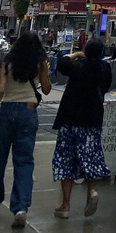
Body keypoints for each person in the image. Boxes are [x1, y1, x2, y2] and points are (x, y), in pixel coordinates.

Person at [52, 39, 112, 219]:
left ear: (86, 51)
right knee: (90, 156)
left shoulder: (77, 67)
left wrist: (75, 54)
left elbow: (62, 63)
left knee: (65, 160)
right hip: (92, 121)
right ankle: (92, 190)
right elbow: (106, 87)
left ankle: (65, 205)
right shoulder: (105, 68)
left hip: (70, 119)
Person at [0, 31, 52, 229]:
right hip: (28, 113)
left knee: (0, 157)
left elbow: (1, 89)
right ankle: (20, 208)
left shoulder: (7, 62)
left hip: (6, 112)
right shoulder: (39, 64)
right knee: (23, 162)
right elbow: (46, 90)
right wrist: (44, 73)